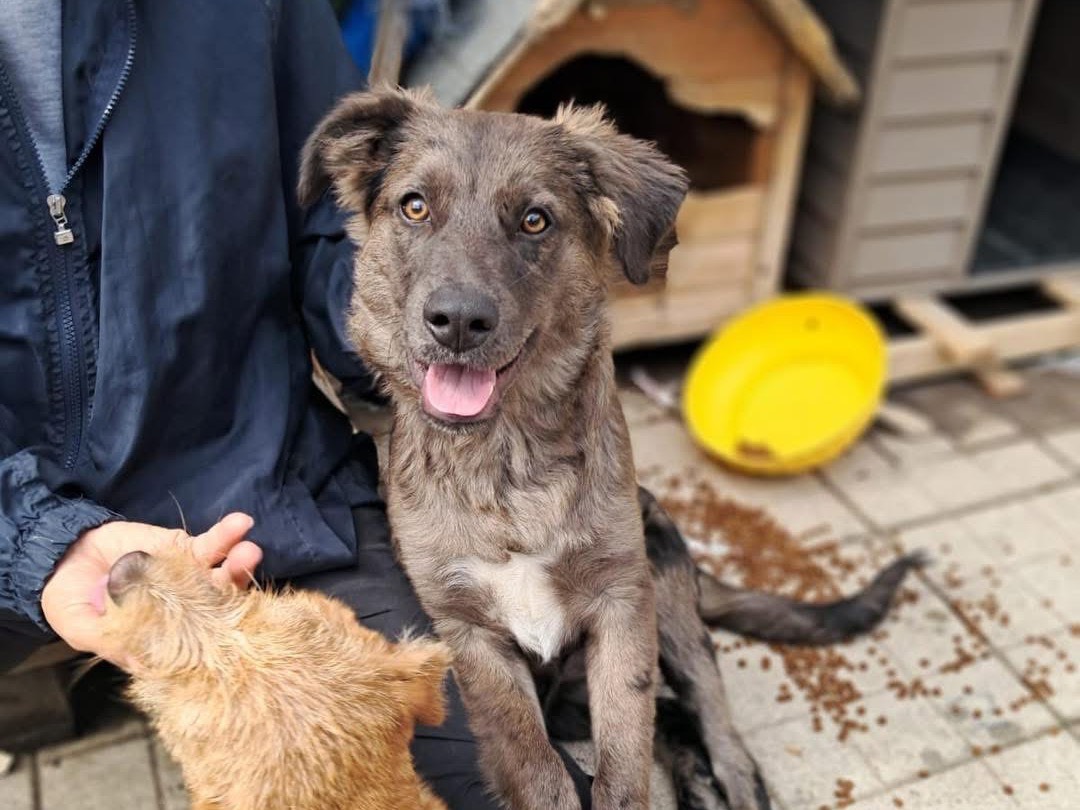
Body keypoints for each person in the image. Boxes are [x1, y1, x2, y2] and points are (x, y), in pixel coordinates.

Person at [0, 0, 592, 805]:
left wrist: (430, 322)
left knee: (502, 783)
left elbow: (330, 222)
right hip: (12, 512)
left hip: (256, 490)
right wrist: (36, 544)